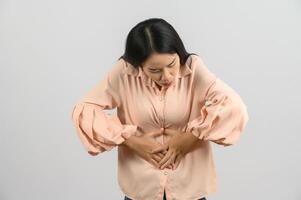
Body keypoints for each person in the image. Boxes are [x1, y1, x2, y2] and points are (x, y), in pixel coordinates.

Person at [71, 18, 249, 200]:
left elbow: (234, 106)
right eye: (154, 70)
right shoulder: (124, 73)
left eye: (171, 65)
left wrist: (190, 137)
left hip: (189, 187)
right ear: (138, 65)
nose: (166, 76)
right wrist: (131, 140)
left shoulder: (194, 69)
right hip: (141, 187)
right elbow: (84, 110)